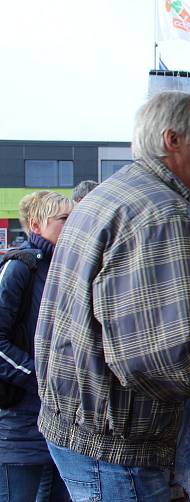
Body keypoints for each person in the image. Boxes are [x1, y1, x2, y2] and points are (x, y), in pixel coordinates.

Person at [35, 91, 190, 501]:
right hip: (117, 449)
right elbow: (160, 362)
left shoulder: (111, 195)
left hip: (82, 429)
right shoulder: (162, 213)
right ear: (172, 140)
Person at [0, 191, 73, 502]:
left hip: (58, 424)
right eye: (64, 219)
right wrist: (40, 379)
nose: (72, 225)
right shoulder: (19, 268)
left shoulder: (67, 269)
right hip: (17, 426)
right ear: (36, 225)